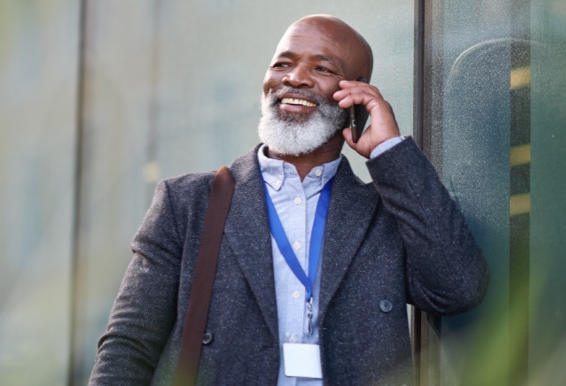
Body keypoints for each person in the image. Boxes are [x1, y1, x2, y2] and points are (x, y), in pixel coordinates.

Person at [89, 14, 488, 385]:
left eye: (322, 68)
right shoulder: (187, 202)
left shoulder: (385, 213)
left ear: (356, 93)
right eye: (282, 64)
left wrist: (390, 154)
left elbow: (457, 289)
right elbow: (129, 343)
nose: (294, 78)